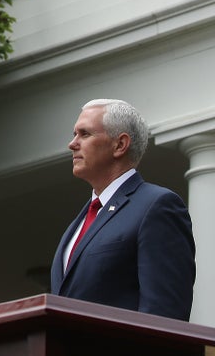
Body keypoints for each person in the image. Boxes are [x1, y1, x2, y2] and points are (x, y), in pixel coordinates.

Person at [50, 98, 196, 320]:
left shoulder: (156, 206)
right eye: (74, 135)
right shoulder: (79, 223)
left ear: (120, 145)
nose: (73, 144)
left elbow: (165, 317)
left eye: (85, 134)